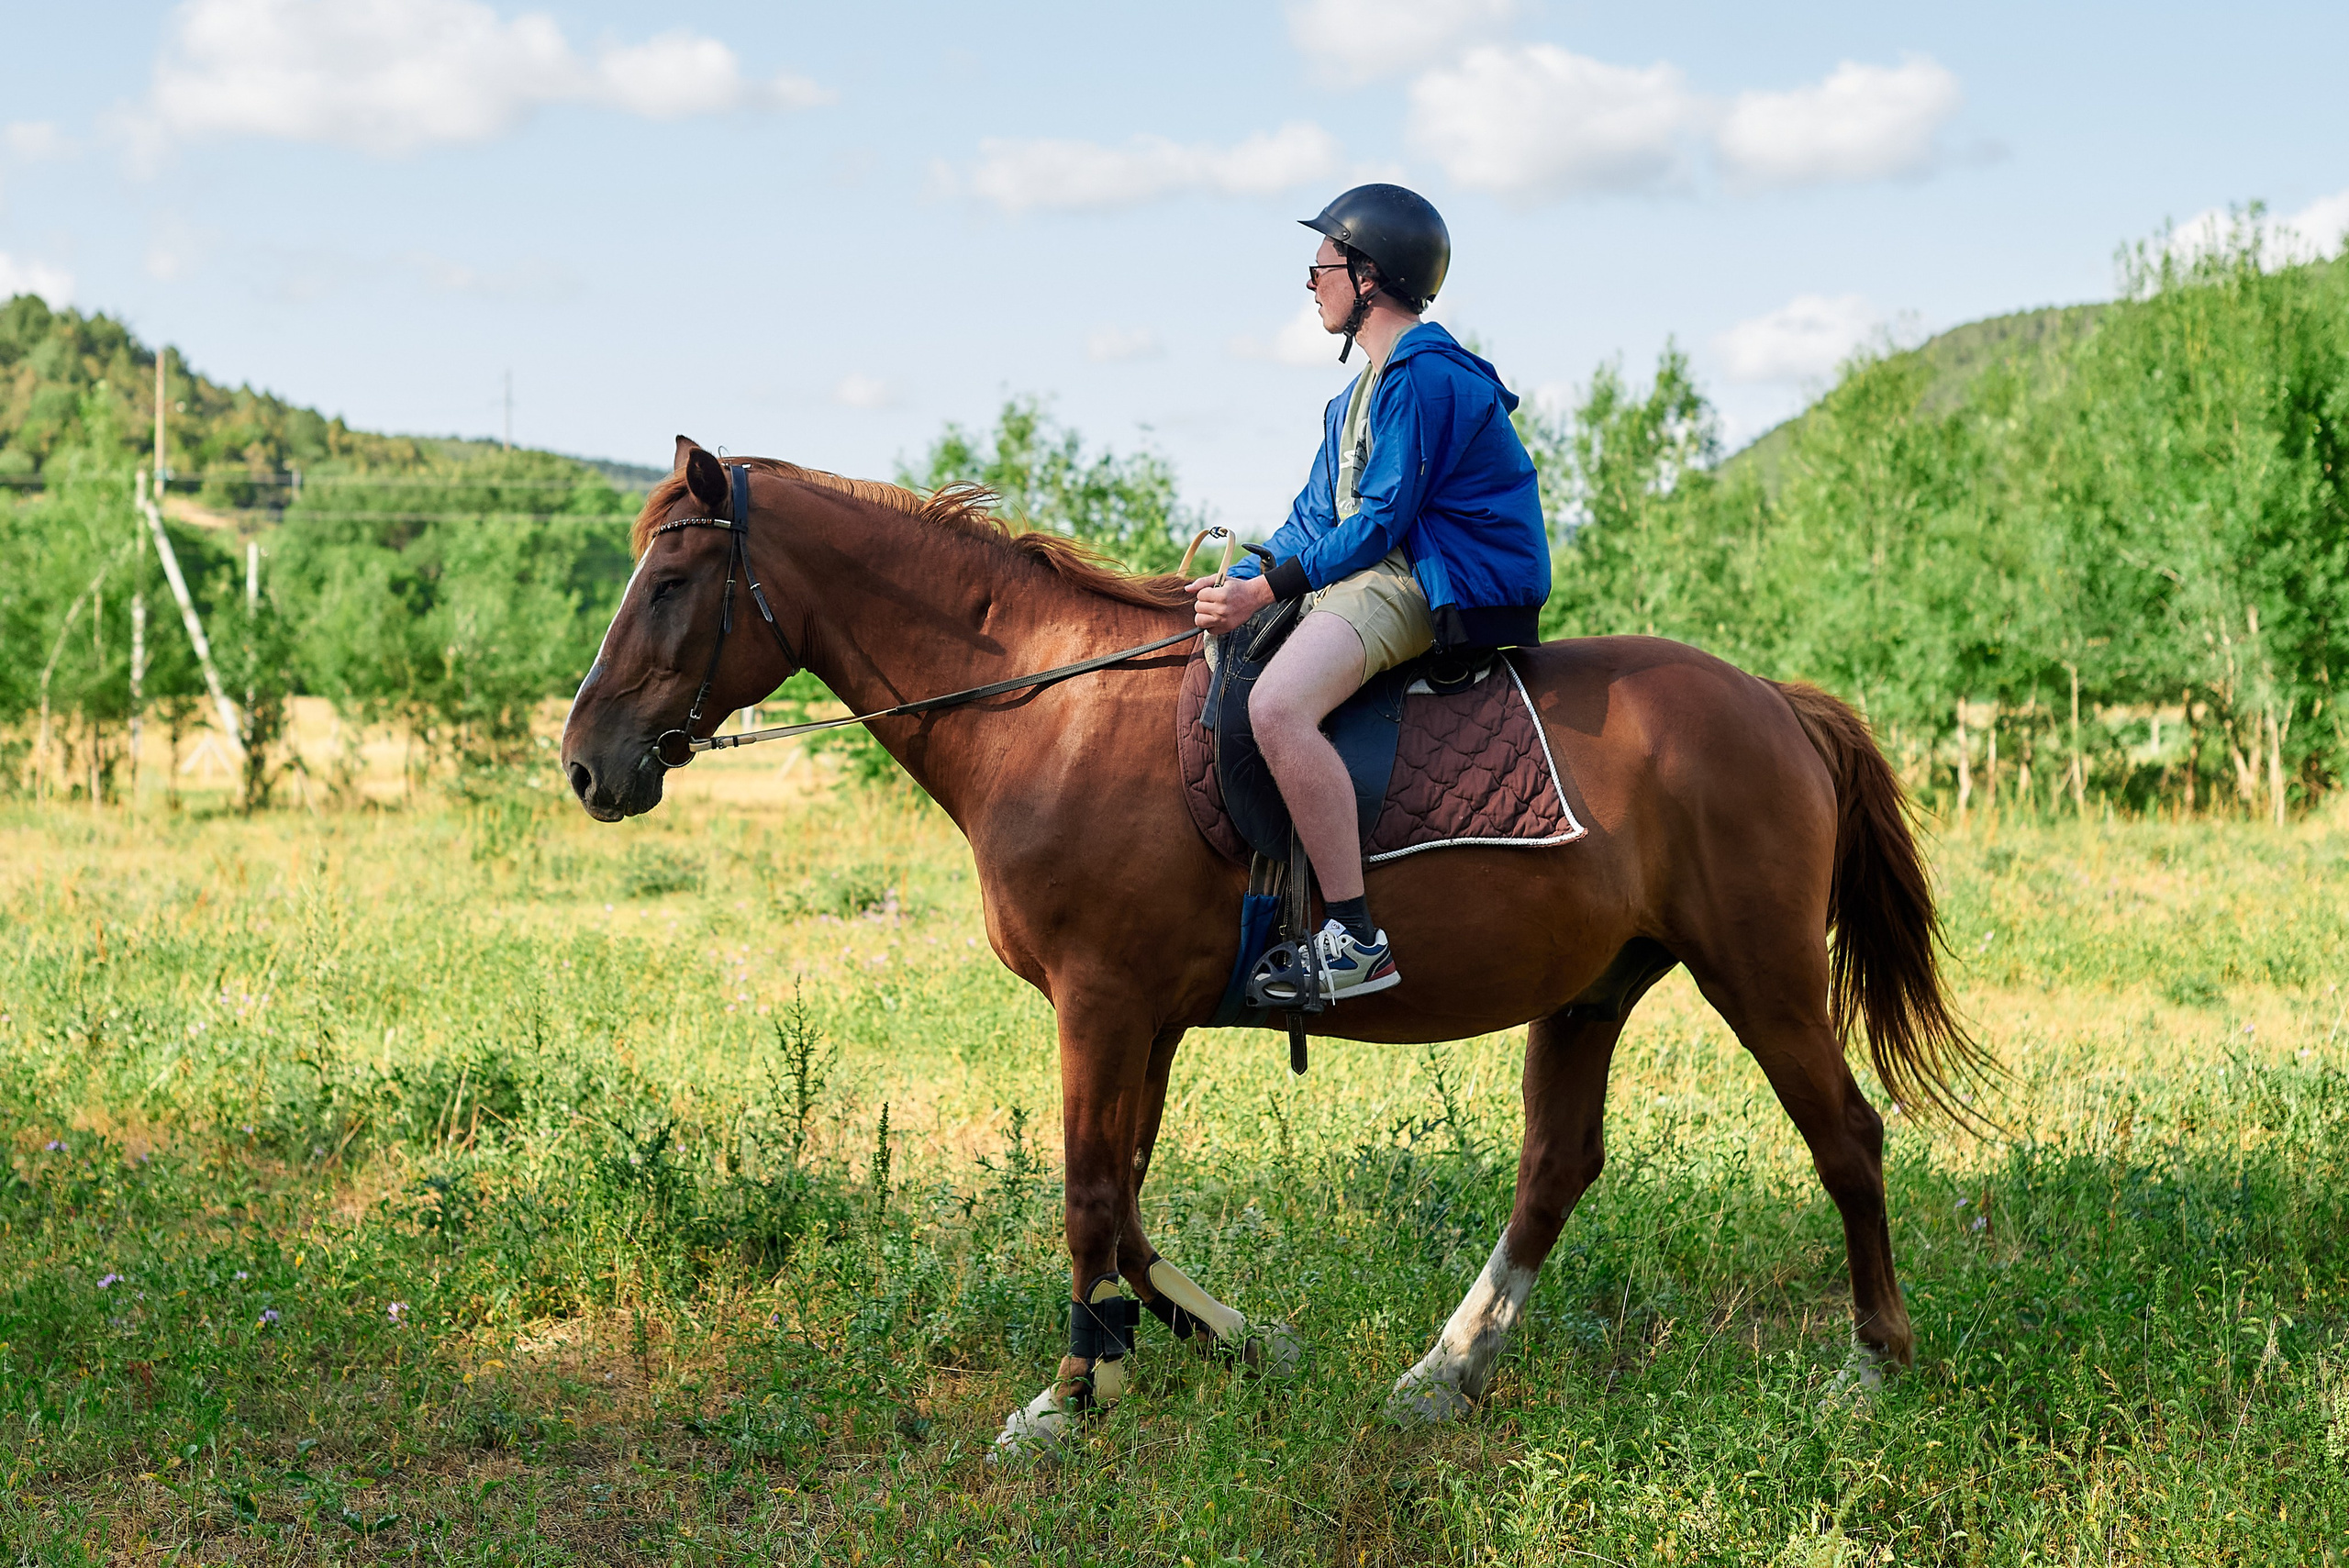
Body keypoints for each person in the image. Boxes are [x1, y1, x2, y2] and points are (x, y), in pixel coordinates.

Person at [1187, 183, 1550, 1000]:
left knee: (1276, 707)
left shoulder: (1426, 378)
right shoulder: (1349, 399)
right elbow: (1310, 521)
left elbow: (1383, 521)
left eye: (1321, 265)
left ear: (1369, 275)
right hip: (1371, 569)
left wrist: (1269, 591)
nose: (1312, 282)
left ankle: (1353, 939)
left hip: (1422, 580)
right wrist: (1239, 585)